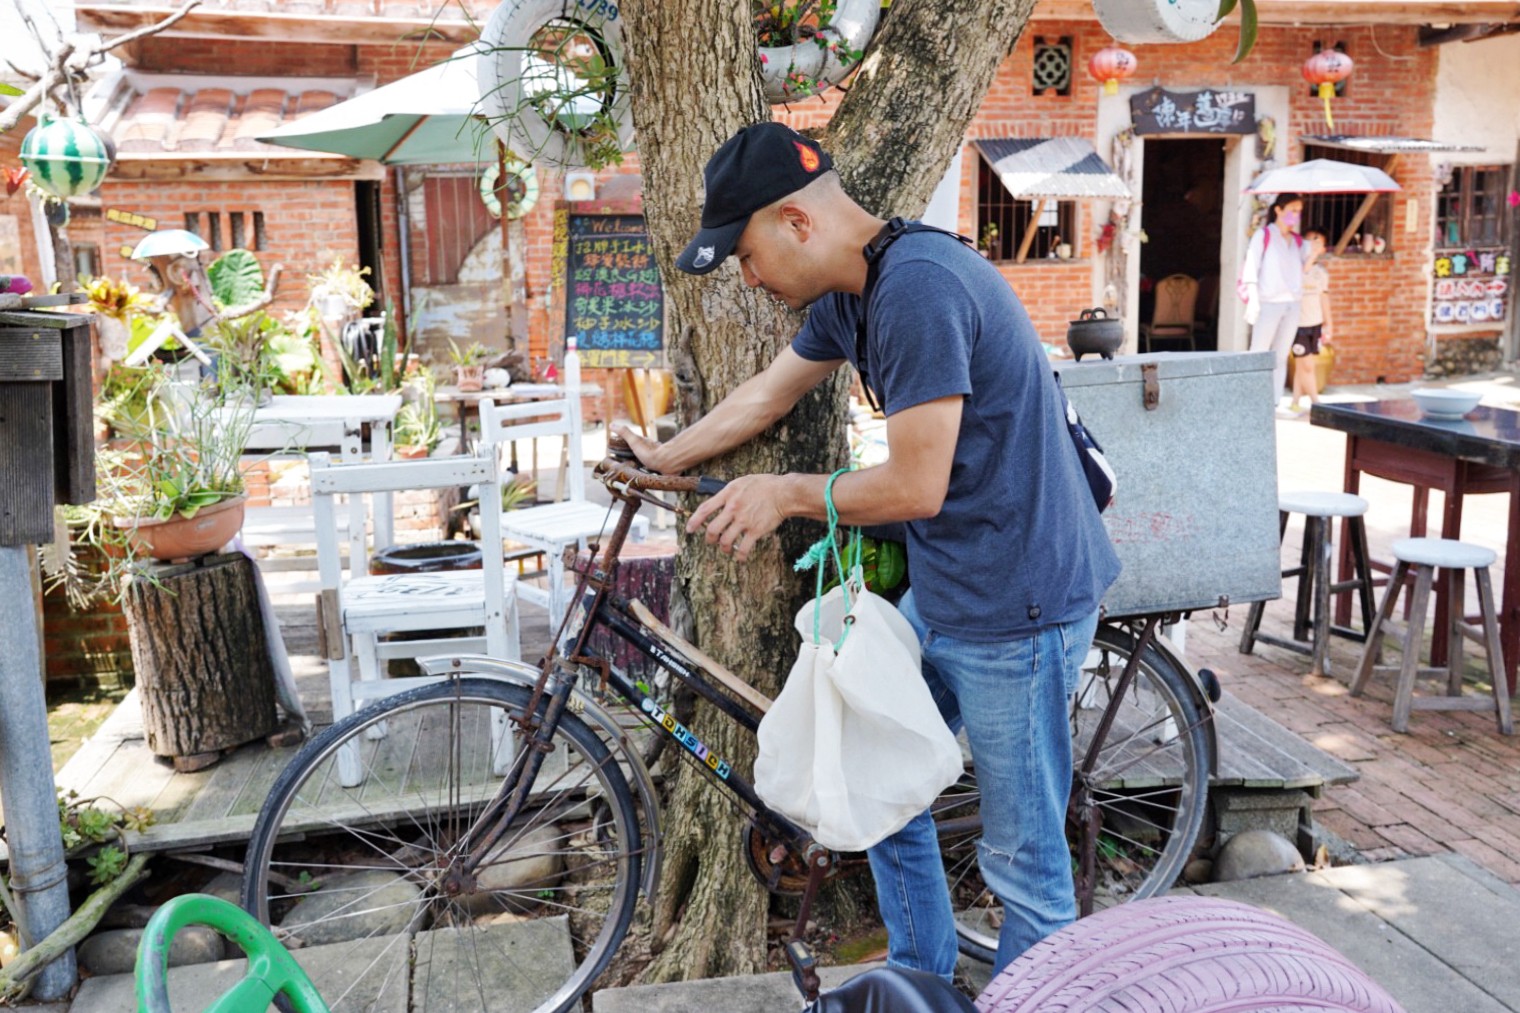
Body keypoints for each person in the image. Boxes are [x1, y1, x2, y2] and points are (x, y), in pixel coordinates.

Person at [617, 121, 1121, 977]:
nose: (749, 276)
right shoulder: (859, 290)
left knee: (1024, 870)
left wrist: (784, 494)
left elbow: (916, 486)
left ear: (795, 223)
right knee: (876, 775)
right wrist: (664, 460)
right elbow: (768, 397)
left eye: (746, 254)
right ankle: (921, 983)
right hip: (953, 583)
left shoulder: (918, 290)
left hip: (1019, 603)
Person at [1240, 192, 1310, 411]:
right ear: (1278, 210)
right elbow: (1252, 266)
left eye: (1299, 211)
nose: (1295, 216)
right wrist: (1253, 299)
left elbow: (1304, 270)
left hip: (1292, 303)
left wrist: (1315, 252)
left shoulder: (1298, 242)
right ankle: (1250, 397)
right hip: (1268, 301)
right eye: (1292, 210)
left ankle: (1274, 400)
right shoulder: (1264, 235)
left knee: (1281, 354)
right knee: (1259, 351)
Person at [1289, 229, 1333, 412]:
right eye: (1309, 242)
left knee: (1304, 365)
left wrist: (1329, 323)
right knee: (1306, 364)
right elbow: (1299, 277)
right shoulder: (1295, 268)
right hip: (1297, 325)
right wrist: (1309, 256)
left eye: (1318, 243)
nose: (1313, 246)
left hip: (1314, 323)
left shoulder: (1321, 273)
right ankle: (1316, 403)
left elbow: (1324, 297)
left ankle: (1295, 402)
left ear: (1324, 248)